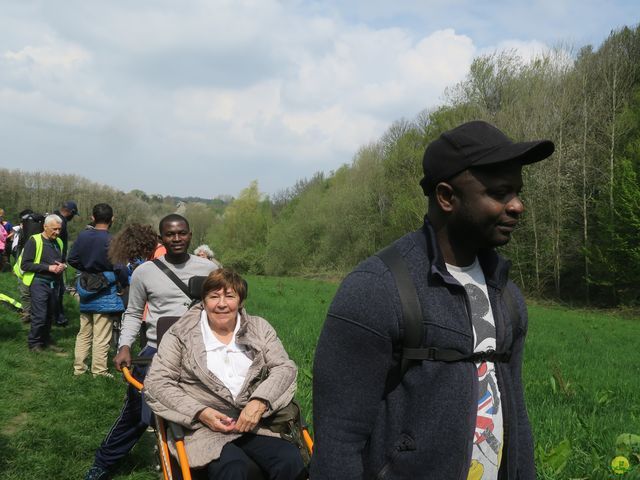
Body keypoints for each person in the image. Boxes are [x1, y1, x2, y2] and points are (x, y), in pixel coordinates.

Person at [311, 121, 555, 479]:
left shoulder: (506, 295)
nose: (517, 206)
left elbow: (516, 414)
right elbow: (337, 442)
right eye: (500, 193)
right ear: (446, 197)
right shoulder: (377, 289)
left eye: (517, 192)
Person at [84, 214, 218, 480]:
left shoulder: (209, 269)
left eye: (182, 233)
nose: (177, 239)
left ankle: (201, 461)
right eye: (170, 234)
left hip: (202, 353)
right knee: (137, 411)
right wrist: (124, 346)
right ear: (162, 238)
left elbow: (226, 307)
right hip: (157, 352)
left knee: (207, 410)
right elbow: (133, 313)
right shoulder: (145, 272)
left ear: (191, 235)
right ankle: (104, 462)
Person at [144, 268, 304, 479]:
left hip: (255, 423)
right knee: (234, 467)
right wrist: (201, 412)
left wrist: (259, 402)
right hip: (203, 429)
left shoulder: (259, 328)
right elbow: (157, 382)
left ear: (240, 301)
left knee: (290, 460)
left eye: (229, 296)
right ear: (203, 300)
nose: (221, 304)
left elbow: (284, 368)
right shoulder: (180, 333)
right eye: (214, 296)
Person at [68, 203, 128, 378]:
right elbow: (121, 268)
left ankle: (79, 369)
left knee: (84, 331)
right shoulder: (113, 240)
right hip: (106, 290)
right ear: (112, 219)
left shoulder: (82, 236)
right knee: (101, 334)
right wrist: (123, 284)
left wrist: (87, 271)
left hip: (86, 286)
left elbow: (72, 259)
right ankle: (99, 371)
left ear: (92, 218)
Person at [16, 214, 67, 352]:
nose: (57, 232)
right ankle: (34, 343)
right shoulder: (34, 240)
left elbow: (60, 261)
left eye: (59, 229)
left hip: (54, 283)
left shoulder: (59, 242)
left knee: (50, 314)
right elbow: (25, 265)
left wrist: (62, 266)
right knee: (40, 315)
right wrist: (48, 268)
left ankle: (46, 341)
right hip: (38, 282)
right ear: (45, 226)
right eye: (54, 229)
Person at [53, 200, 79, 327]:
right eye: (74, 215)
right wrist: (62, 261)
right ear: (70, 212)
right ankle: (58, 317)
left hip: (47, 260)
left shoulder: (52, 217)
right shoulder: (60, 222)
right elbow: (57, 244)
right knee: (58, 290)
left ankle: (53, 316)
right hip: (56, 261)